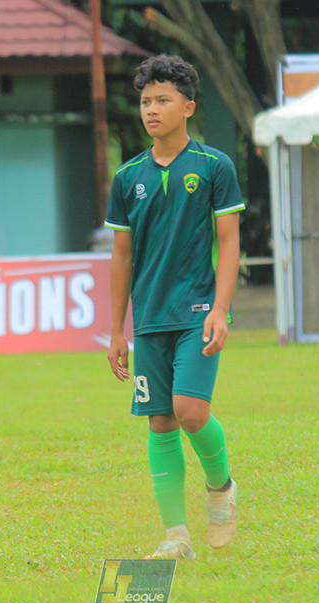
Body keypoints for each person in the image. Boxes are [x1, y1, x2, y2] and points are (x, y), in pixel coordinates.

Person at [106, 55, 244, 560]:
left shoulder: (213, 167)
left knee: (190, 411)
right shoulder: (127, 177)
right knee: (160, 422)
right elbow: (121, 256)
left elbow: (228, 243)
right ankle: (176, 537)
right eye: (145, 101)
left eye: (163, 100)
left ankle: (221, 488)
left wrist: (220, 309)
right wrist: (117, 330)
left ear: (187, 106)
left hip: (199, 311)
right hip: (150, 318)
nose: (152, 109)